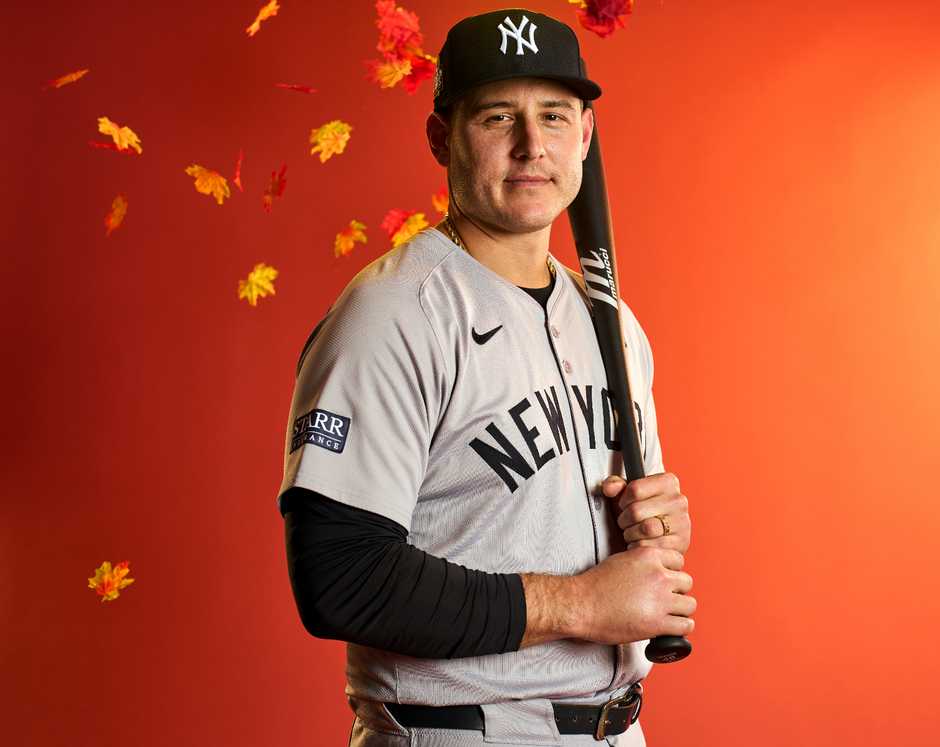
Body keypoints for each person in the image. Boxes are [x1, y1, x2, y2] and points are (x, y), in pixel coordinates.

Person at [277, 8, 695, 746]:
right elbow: (339, 578)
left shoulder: (613, 323)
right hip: (461, 729)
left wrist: (652, 527)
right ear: (442, 137)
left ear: (585, 138)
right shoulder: (394, 315)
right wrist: (581, 604)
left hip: (619, 727)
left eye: (556, 116)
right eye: (499, 116)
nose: (533, 145)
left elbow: (571, 533)